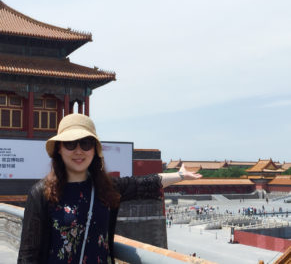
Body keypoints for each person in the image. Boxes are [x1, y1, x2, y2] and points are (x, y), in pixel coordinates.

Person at [17, 113, 202, 264]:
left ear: (94, 149)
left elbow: (144, 184)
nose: (79, 151)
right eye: (70, 144)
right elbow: (28, 254)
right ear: (59, 149)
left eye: (86, 143)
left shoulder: (105, 188)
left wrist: (179, 176)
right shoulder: (41, 193)